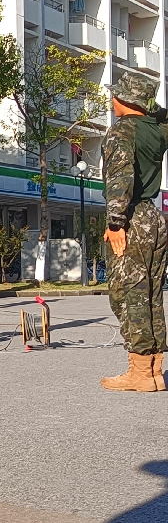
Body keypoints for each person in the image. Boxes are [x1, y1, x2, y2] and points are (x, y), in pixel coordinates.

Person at [100, 73, 168, 392]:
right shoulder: (157, 129)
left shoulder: (122, 130)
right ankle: (153, 371)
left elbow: (120, 176)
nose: (112, 99)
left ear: (125, 99)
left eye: (116, 94)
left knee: (128, 293)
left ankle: (140, 372)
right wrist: (149, 105)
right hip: (154, 217)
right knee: (151, 293)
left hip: (132, 217)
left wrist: (116, 223)